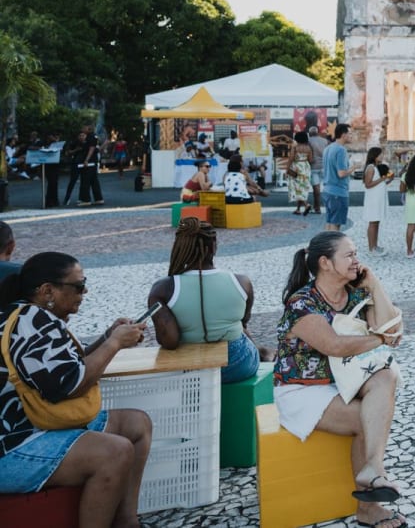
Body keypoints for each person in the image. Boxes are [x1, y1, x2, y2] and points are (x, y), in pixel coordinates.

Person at [0, 252, 152, 528]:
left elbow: (68, 367)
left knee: (136, 424)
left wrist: (108, 336)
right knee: (115, 451)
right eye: (79, 286)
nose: (85, 293)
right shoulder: (31, 323)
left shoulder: (30, 316)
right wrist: (114, 344)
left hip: (36, 424)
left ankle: (126, 522)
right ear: (48, 291)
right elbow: (70, 386)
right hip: (12, 447)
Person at [274, 232, 405, 528]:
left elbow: (393, 329)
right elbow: (333, 345)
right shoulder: (302, 302)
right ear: (325, 263)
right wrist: (379, 339)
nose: (357, 260)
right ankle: (368, 507)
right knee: (367, 420)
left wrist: (374, 285)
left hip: (344, 379)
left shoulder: (355, 294)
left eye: (356, 253)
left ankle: (373, 468)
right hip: (302, 390)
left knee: (386, 375)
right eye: (349, 255)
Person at [146, 218, 267, 383]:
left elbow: (170, 341)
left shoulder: (163, 289)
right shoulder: (241, 282)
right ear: (214, 246)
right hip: (239, 365)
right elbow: (243, 323)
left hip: (190, 368)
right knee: (241, 332)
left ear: (179, 247)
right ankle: (264, 354)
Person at [361, 147, 392, 256]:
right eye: (380, 154)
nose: (382, 156)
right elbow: (368, 184)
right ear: (374, 156)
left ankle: (375, 245)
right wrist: (382, 179)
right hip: (373, 200)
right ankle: (371, 248)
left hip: (378, 199)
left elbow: (380, 183)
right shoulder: (371, 168)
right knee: (373, 222)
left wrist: (388, 180)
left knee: (376, 222)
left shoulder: (376, 167)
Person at [323, 124, 352, 231]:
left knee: (329, 222)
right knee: (336, 225)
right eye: (350, 134)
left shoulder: (328, 148)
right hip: (338, 192)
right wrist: (353, 168)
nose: (351, 136)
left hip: (327, 190)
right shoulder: (341, 150)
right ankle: (334, 242)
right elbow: (341, 173)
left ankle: (327, 242)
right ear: (343, 135)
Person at [287, 131, 314, 216]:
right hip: (306, 167)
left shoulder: (295, 147)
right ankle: (298, 209)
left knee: (297, 188)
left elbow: (291, 158)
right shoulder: (309, 148)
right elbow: (311, 160)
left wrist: (287, 168)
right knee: (303, 187)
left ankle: (306, 205)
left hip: (297, 167)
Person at [77, 126, 104, 207]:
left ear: (87, 127)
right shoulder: (93, 136)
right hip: (93, 161)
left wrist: (86, 160)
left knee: (85, 180)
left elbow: (91, 149)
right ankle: (98, 199)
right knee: (94, 181)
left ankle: (86, 199)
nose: (82, 129)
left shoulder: (90, 137)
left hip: (89, 162)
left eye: (83, 127)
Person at [308, 126, 329, 215]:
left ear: (310, 133)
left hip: (314, 167)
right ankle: (328, 207)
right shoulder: (325, 141)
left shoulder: (308, 141)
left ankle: (317, 208)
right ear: (317, 132)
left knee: (316, 190)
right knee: (327, 188)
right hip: (324, 167)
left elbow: (308, 154)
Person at [62, 131, 86, 206]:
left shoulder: (87, 143)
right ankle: (67, 198)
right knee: (72, 181)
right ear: (78, 136)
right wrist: (76, 150)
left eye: (83, 135)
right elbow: (67, 152)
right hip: (76, 163)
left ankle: (81, 198)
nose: (82, 137)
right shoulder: (74, 143)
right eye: (80, 135)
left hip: (85, 164)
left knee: (84, 182)